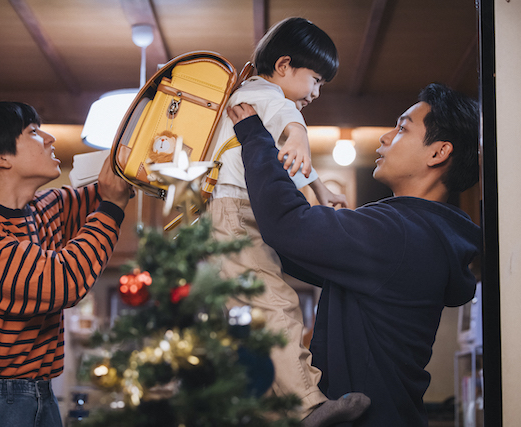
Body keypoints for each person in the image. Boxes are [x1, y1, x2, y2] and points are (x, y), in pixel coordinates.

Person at [227, 82, 481, 426]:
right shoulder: (426, 236)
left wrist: (254, 137)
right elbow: (292, 247)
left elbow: (286, 226)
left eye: (403, 128)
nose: (386, 137)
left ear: (438, 153)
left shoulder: (401, 231)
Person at [206, 17, 368, 427]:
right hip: (237, 216)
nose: (316, 91)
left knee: (248, 319)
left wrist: (319, 189)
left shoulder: (254, 96)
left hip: (228, 215)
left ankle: (268, 411)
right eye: (315, 79)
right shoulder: (266, 95)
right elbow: (285, 120)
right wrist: (299, 136)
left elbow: (281, 137)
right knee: (276, 303)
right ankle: (308, 405)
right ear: (283, 66)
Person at [0, 102, 133, 427]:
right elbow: (59, 282)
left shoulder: (42, 208)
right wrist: (111, 208)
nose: (51, 138)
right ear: (0, 157)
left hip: (39, 393)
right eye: (34, 132)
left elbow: (116, 183)